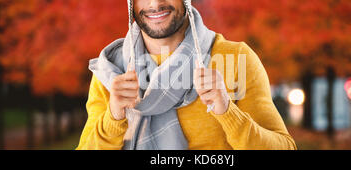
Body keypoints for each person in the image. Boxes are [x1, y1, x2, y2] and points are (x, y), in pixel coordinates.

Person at [77, 0, 296, 150]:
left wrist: (228, 112)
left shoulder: (236, 58)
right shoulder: (111, 72)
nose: (155, 4)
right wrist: (114, 117)